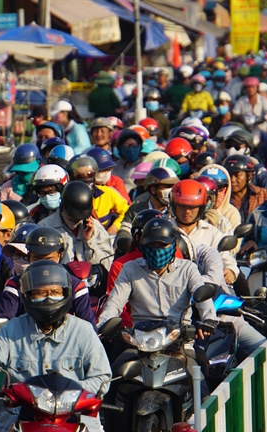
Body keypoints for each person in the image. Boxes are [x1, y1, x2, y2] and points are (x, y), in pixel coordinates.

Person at [0, 261, 112, 432]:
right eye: (40, 293)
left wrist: (68, 395)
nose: (49, 298)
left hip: (75, 418)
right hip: (18, 417)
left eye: (55, 292)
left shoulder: (83, 331)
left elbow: (103, 378)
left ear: (66, 294)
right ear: (28, 295)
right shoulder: (11, 329)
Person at [98, 218, 217, 391]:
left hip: (179, 341)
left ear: (173, 245)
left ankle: (203, 417)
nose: (157, 251)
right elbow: (115, 302)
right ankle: (105, 418)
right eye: (152, 246)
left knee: (201, 382)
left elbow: (202, 295)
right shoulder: (130, 269)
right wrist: (105, 323)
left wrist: (209, 319)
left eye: (163, 245)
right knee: (112, 380)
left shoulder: (188, 269)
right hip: (139, 342)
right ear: (143, 247)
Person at [0, 227, 96, 326]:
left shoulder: (75, 286)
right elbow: (5, 328)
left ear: (60, 255)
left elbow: (89, 329)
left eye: (49, 259)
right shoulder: (16, 286)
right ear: (29, 255)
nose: (43, 265)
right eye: (37, 259)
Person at [170, 179, 239, 285]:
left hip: (207, 288)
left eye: (192, 207)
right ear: (174, 205)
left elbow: (227, 261)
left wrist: (230, 271)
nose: (187, 211)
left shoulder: (213, 233)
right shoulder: (166, 230)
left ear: (201, 207)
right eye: (182, 206)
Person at [38, 181, 114, 269]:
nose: (77, 219)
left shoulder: (95, 227)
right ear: (64, 207)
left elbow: (106, 266)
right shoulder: (45, 227)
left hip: (90, 281)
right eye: (73, 216)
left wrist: (89, 241)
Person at [66, 154, 129, 234]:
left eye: (89, 174)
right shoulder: (66, 197)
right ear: (72, 176)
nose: (86, 178)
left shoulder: (108, 192)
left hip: (104, 238)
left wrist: (115, 226)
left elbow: (127, 211)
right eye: (80, 175)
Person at [118, 166, 180, 237]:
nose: (172, 190)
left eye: (174, 186)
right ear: (153, 190)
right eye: (168, 186)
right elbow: (124, 233)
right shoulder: (135, 210)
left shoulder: (177, 211)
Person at [224, 155, 267, 223]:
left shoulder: (264, 195)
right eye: (228, 175)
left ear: (249, 175)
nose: (232, 180)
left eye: (237, 175)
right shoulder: (220, 198)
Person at [195, 164, 242, 229]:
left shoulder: (231, 213)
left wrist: (217, 227)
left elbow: (235, 238)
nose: (215, 193)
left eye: (220, 187)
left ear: (227, 188)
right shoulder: (190, 210)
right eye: (209, 188)